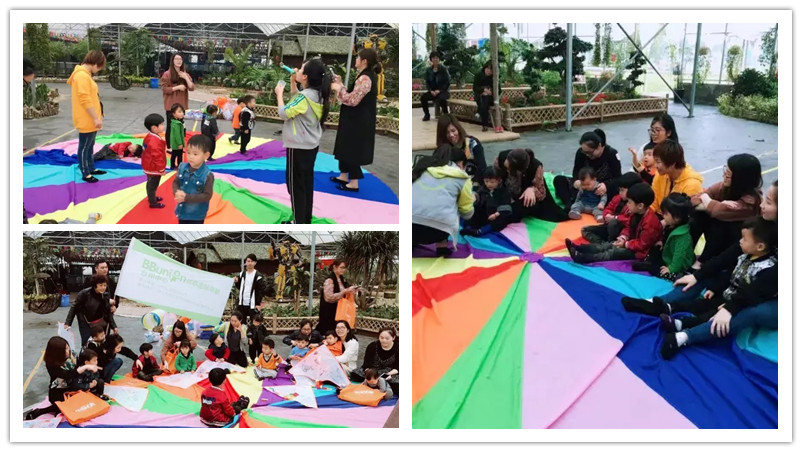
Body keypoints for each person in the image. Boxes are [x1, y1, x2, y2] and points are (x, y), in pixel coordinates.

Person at [623, 218, 777, 360]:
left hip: (747, 300)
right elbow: (729, 269)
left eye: (769, 202)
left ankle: (684, 335)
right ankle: (665, 306)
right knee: (702, 303)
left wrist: (731, 308)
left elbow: (757, 290)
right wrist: (702, 278)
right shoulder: (746, 253)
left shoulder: (767, 266)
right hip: (731, 295)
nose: (762, 205)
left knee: (714, 317)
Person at [276, 59, 331, 224]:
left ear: (306, 77)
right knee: (306, 184)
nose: (297, 70)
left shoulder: (304, 97)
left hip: (297, 146)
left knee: (295, 186)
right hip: (310, 146)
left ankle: (298, 221)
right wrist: (294, 83)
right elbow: (297, 102)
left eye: (301, 69)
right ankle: (304, 219)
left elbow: (284, 113)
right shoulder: (318, 94)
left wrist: (279, 94)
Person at [689, 154, 762, 263]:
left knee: (719, 223)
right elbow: (694, 199)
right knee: (699, 214)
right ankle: (686, 253)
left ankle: (704, 261)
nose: (723, 176)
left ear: (740, 180)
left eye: (727, 175)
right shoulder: (724, 187)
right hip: (716, 238)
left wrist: (708, 200)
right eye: (725, 172)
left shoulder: (750, 202)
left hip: (735, 244)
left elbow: (718, 211)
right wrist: (714, 202)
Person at [566, 182, 662, 264]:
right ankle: (580, 248)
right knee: (607, 245)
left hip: (639, 252)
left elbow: (642, 244)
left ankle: (582, 258)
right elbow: (629, 227)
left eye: (629, 202)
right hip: (630, 243)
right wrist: (623, 237)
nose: (627, 205)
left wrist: (626, 244)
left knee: (613, 252)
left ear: (640, 205)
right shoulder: (635, 212)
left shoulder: (650, 223)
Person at [330, 48, 380, 192]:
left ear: (364, 61)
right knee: (345, 146)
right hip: (353, 118)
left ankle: (354, 182)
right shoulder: (363, 76)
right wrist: (341, 85)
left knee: (352, 149)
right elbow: (353, 94)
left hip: (358, 120)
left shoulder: (366, 78)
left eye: (358, 58)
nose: (355, 60)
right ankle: (343, 175)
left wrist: (338, 89)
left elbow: (352, 100)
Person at [412, 145, 475, 254]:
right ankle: (442, 247)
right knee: (450, 206)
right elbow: (466, 213)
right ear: (461, 163)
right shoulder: (462, 178)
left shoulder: (422, 169)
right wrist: (473, 200)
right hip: (438, 232)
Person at [24, 337, 102, 420]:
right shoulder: (52, 365)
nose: (67, 351)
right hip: (58, 392)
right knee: (64, 407)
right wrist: (85, 367)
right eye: (64, 350)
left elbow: (78, 367)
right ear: (56, 353)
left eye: (67, 348)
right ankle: (41, 411)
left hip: (74, 386)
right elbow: (68, 375)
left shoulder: (71, 355)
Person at [553, 129, 623, 209]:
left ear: (599, 146)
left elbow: (618, 178)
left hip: (600, 190)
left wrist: (606, 185)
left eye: (590, 152)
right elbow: (576, 171)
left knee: (617, 194)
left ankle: (596, 205)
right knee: (559, 180)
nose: (587, 155)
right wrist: (576, 181)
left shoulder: (612, 154)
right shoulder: (581, 153)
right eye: (585, 152)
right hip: (584, 187)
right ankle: (570, 204)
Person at [632, 193, 695, 280]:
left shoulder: (683, 236)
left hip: (679, 265)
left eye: (665, 214)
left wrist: (671, 269)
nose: (663, 215)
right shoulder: (671, 225)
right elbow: (667, 238)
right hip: (668, 256)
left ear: (677, 217)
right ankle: (650, 264)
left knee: (660, 271)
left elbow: (679, 257)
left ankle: (654, 268)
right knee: (655, 248)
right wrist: (662, 242)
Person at [496, 148, 569, 223]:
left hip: (528, 195)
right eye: (506, 167)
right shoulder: (502, 157)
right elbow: (494, 177)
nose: (507, 171)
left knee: (526, 205)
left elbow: (542, 194)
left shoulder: (535, 166)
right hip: (506, 192)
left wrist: (532, 189)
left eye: (509, 169)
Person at [68, 50, 106, 183]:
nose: (99, 70)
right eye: (99, 67)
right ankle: (85, 172)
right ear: (95, 63)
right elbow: (84, 99)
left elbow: (92, 97)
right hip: (86, 118)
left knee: (90, 144)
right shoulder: (81, 76)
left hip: (91, 117)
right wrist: (95, 117)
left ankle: (90, 167)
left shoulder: (86, 75)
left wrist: (98, 115)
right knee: (84, 146)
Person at [581, 172, 642, 243]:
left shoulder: (635, 205)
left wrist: (615, 218)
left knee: (613, 223)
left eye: (622, 190)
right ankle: (603, 244)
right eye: (619, 190)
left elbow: (631, 221)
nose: (620, 192)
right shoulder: (618, 198)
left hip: (623, 232)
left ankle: (608, 245)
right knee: (585, 230)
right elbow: (608, 208)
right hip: (609, 227)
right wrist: (607, 215)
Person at [650, 140, 704, 215]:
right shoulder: (660, 174)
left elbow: (684, 215)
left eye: (658, 162)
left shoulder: (692, 185)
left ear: (672, 163)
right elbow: (653, 202)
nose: (655, 165)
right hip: (662, 216)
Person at [173, 134, 215, 224]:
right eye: (188, 152)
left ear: (206, 155)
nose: (190, 156)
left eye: (195, 154)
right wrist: (176, 192)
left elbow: (207, 195)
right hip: (181, 211)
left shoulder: (207, 175)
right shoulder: (182, 167)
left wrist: (186, 198)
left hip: (197, 215)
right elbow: (176, 182)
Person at [628, 113, 679, 185]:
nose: (653, 133)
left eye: (658, 130)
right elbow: (634, 168)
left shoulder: (675, 152)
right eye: (652, 130)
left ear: (669, 132)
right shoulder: (645, 147)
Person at [461, 166, 511, 237]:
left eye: (492, 182)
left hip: (496, 214)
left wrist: (496, 214)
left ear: (499, 181)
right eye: (486, 181)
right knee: (473, 211)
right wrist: (474, 197)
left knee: (502, 220)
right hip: (485, 213)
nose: (489, 184)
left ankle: (480, 231)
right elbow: (478, 194)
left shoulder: (503, 191)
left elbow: (506, 206)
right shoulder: (484, 188)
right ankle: (469, 227)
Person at [436, 114, 487, 184]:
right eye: (447, 133)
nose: (451, 135)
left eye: (453, 131)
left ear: (458, 128)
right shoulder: (443, 150)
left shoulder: (472, 144)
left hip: (473, 183)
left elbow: (482, 168)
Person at [65, 275, 113, 347]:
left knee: (101, 340)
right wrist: (68, 323)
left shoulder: (105, 295)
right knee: (87, 341)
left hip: (99, 321)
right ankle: (85, 352)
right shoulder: (84, 293)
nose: (103, 287)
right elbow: (74, 307)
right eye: (100, 285)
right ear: (95, 285)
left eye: (105, 285)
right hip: (85, 321)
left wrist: (114, 326)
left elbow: (108, 312)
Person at [160, 53, 194, 153]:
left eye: (180, 59)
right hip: (171, 105)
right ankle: (169, 146)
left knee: (180, 126)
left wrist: (186, 77)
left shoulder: (185, 74)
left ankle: (180, 146)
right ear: (172, 61)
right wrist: (177, 87)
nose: (179, 61)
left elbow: (192, 87)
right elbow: (164, 89)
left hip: (181, 105)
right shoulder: (167, 74)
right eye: (176, 59)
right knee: (171, 126)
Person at [316, 260, 359, 334]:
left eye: (344, 268)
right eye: (341, 267)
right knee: (329, 332)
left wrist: (351, 291)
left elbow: (344, 292)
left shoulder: (341, 278)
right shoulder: (329, 280)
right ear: (334, 267)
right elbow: (328, 297)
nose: (343, 270)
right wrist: (345, 291)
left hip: (339, 311)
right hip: (329, 312)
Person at [352, 328, 399, 395]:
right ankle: (376, 384)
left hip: (390, 372)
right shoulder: (373, 346)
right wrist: (370, 374)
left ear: (393, 338)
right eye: (381, 338)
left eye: (387, 338)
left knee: (397, 385)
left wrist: (388, 374)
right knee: (355, 375)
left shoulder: (398, 348)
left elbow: (398, 367)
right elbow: (366, 364)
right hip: (373, 370)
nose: (384, 340)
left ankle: (379, 385)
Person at [142, 113, 168, 209]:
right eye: (161, 124)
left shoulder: (150, 137)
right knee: (153, 185)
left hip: (149, 165)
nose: (163, 126)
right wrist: (161, 169)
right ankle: (153, 202)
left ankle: (151, 197)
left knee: (150, 183)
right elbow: (157, 156)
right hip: (153, 168)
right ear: (154, 128)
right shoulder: (154, 141)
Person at [233, 254, 266, 324]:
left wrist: (258, 303)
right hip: (242, 303)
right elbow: (239, 287)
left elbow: (260, 291)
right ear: (245, 262)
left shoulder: (258, 276)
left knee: (254, 323)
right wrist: (236, 282)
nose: (250, 263)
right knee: (241, 323)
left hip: (253, 303)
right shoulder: (242, 274)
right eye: (248, 261)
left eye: (251, 261)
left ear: (255, 263)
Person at [420, 51, 450, 121]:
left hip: (443, 91)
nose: (435, 59)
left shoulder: (444, 69)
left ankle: (446, 115)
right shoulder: (428, 70)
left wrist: (439, 90)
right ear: (431, 59)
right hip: (433, 92)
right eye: (433, 58)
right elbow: (427, 83)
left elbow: (447, 82)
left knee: (441, 98)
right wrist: (431, 91)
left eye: (437, 58)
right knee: (423, 98)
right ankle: (427, 115)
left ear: (439, 59)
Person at [91, 260, 119, 335]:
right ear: (96, 269)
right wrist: (107, 301)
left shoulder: (111, 282)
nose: (105, 269)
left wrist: (115, 306)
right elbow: (91, 297)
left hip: (106, 315)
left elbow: (116, 296)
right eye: (102, 267)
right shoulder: (90, 281)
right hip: (92, 316)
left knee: (105, 335)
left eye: (106, 267)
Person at [473, 61, 495, 131]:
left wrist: (491, 92)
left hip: (491, 98)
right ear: (484, 68)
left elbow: (499, 90)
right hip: (479, 96)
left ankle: (479, 114)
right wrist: (483, 90)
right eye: (487, 68)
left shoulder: (494, 77)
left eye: (491, 70)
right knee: (484, 100)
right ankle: (485, 125)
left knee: (485, 100)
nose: (489, 71)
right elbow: (475, 88)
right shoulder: (478, 75)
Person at [168, 103, 187, 170]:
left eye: (182, 111)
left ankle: (175, 165)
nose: (182, 113)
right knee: (177, 155)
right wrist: (179, 143)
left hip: (176, 143)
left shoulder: (177, 122)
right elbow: (177, 135)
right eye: (179, 112)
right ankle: (177, 166)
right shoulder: (176, 124)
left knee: (176, 154)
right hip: (177, 143)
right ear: (174, 114)